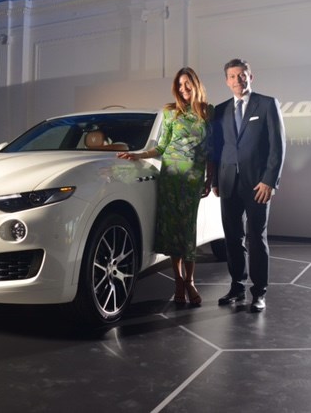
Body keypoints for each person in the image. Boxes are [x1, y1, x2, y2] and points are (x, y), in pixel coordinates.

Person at [118, 67, 213, 306]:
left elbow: (212, 150)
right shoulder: (170, 112)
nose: (183, 88)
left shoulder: (208, 111)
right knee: (173, 231)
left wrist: (209, 179)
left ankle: (190, 281)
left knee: (188, 231)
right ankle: (178, 281)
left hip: (192, 178)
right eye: (179, 85)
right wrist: (139, 155)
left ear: (195, 83)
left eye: (187, 83)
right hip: (170, 176)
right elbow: (161, 147)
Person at [207, 58, 286, 312]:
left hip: (257, 185)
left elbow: (277, 146)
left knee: (257, 238)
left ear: (250, 77)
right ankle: (237, 286)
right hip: (228, 183)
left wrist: (269, 181)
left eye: (242, 75)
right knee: (232, 238)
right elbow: (217, 148)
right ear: (226, 81)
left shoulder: (267, 104)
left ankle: (259, 292)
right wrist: (216, 181)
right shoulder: (220, 110)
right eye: (232, 76)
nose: (237, 80)